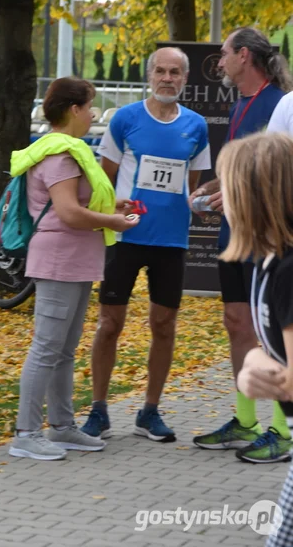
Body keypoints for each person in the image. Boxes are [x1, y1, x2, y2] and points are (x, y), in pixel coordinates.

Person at [81, 47, 211, 443]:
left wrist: (195, 207)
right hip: (126, 235)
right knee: (109, 324)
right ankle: (99, 410)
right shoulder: (125, 119)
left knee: (164, 325)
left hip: (171, 240)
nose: (167, 78)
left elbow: (193, 186)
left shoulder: (197, 125)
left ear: (185, 79)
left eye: (175, 72)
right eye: (160, 71)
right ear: (149, 75)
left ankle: (150, 411)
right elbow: (105, 182)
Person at [8, 77, 135, 461]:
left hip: (77, 260)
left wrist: (112, 209)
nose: (93, 114)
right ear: (74, 110)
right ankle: (26, 433)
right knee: (47, 348)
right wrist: (110, 222)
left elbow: (78, 206)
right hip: (60, 259)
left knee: (64, 350)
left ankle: (62, 427)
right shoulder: (60, 155)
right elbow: (67, 212)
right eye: (89, 106)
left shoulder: (68, 151)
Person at [191, 27, 293, 463]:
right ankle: (245, 419)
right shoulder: (239, 105)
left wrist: (232, 192)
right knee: (237, 321)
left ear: (245, 56)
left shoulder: (280, 103)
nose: (220, 62)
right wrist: (207, 192)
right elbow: (237, 167)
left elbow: (271, 174)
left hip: (265, 233)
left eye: (225, 54)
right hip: (233, 231)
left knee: (272, 329)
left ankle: (282, 428)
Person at [217, 132, 293, 546]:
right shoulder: (268, 262)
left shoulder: (287, 270)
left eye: (227, 188)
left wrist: (254, 367)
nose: (221, 200)